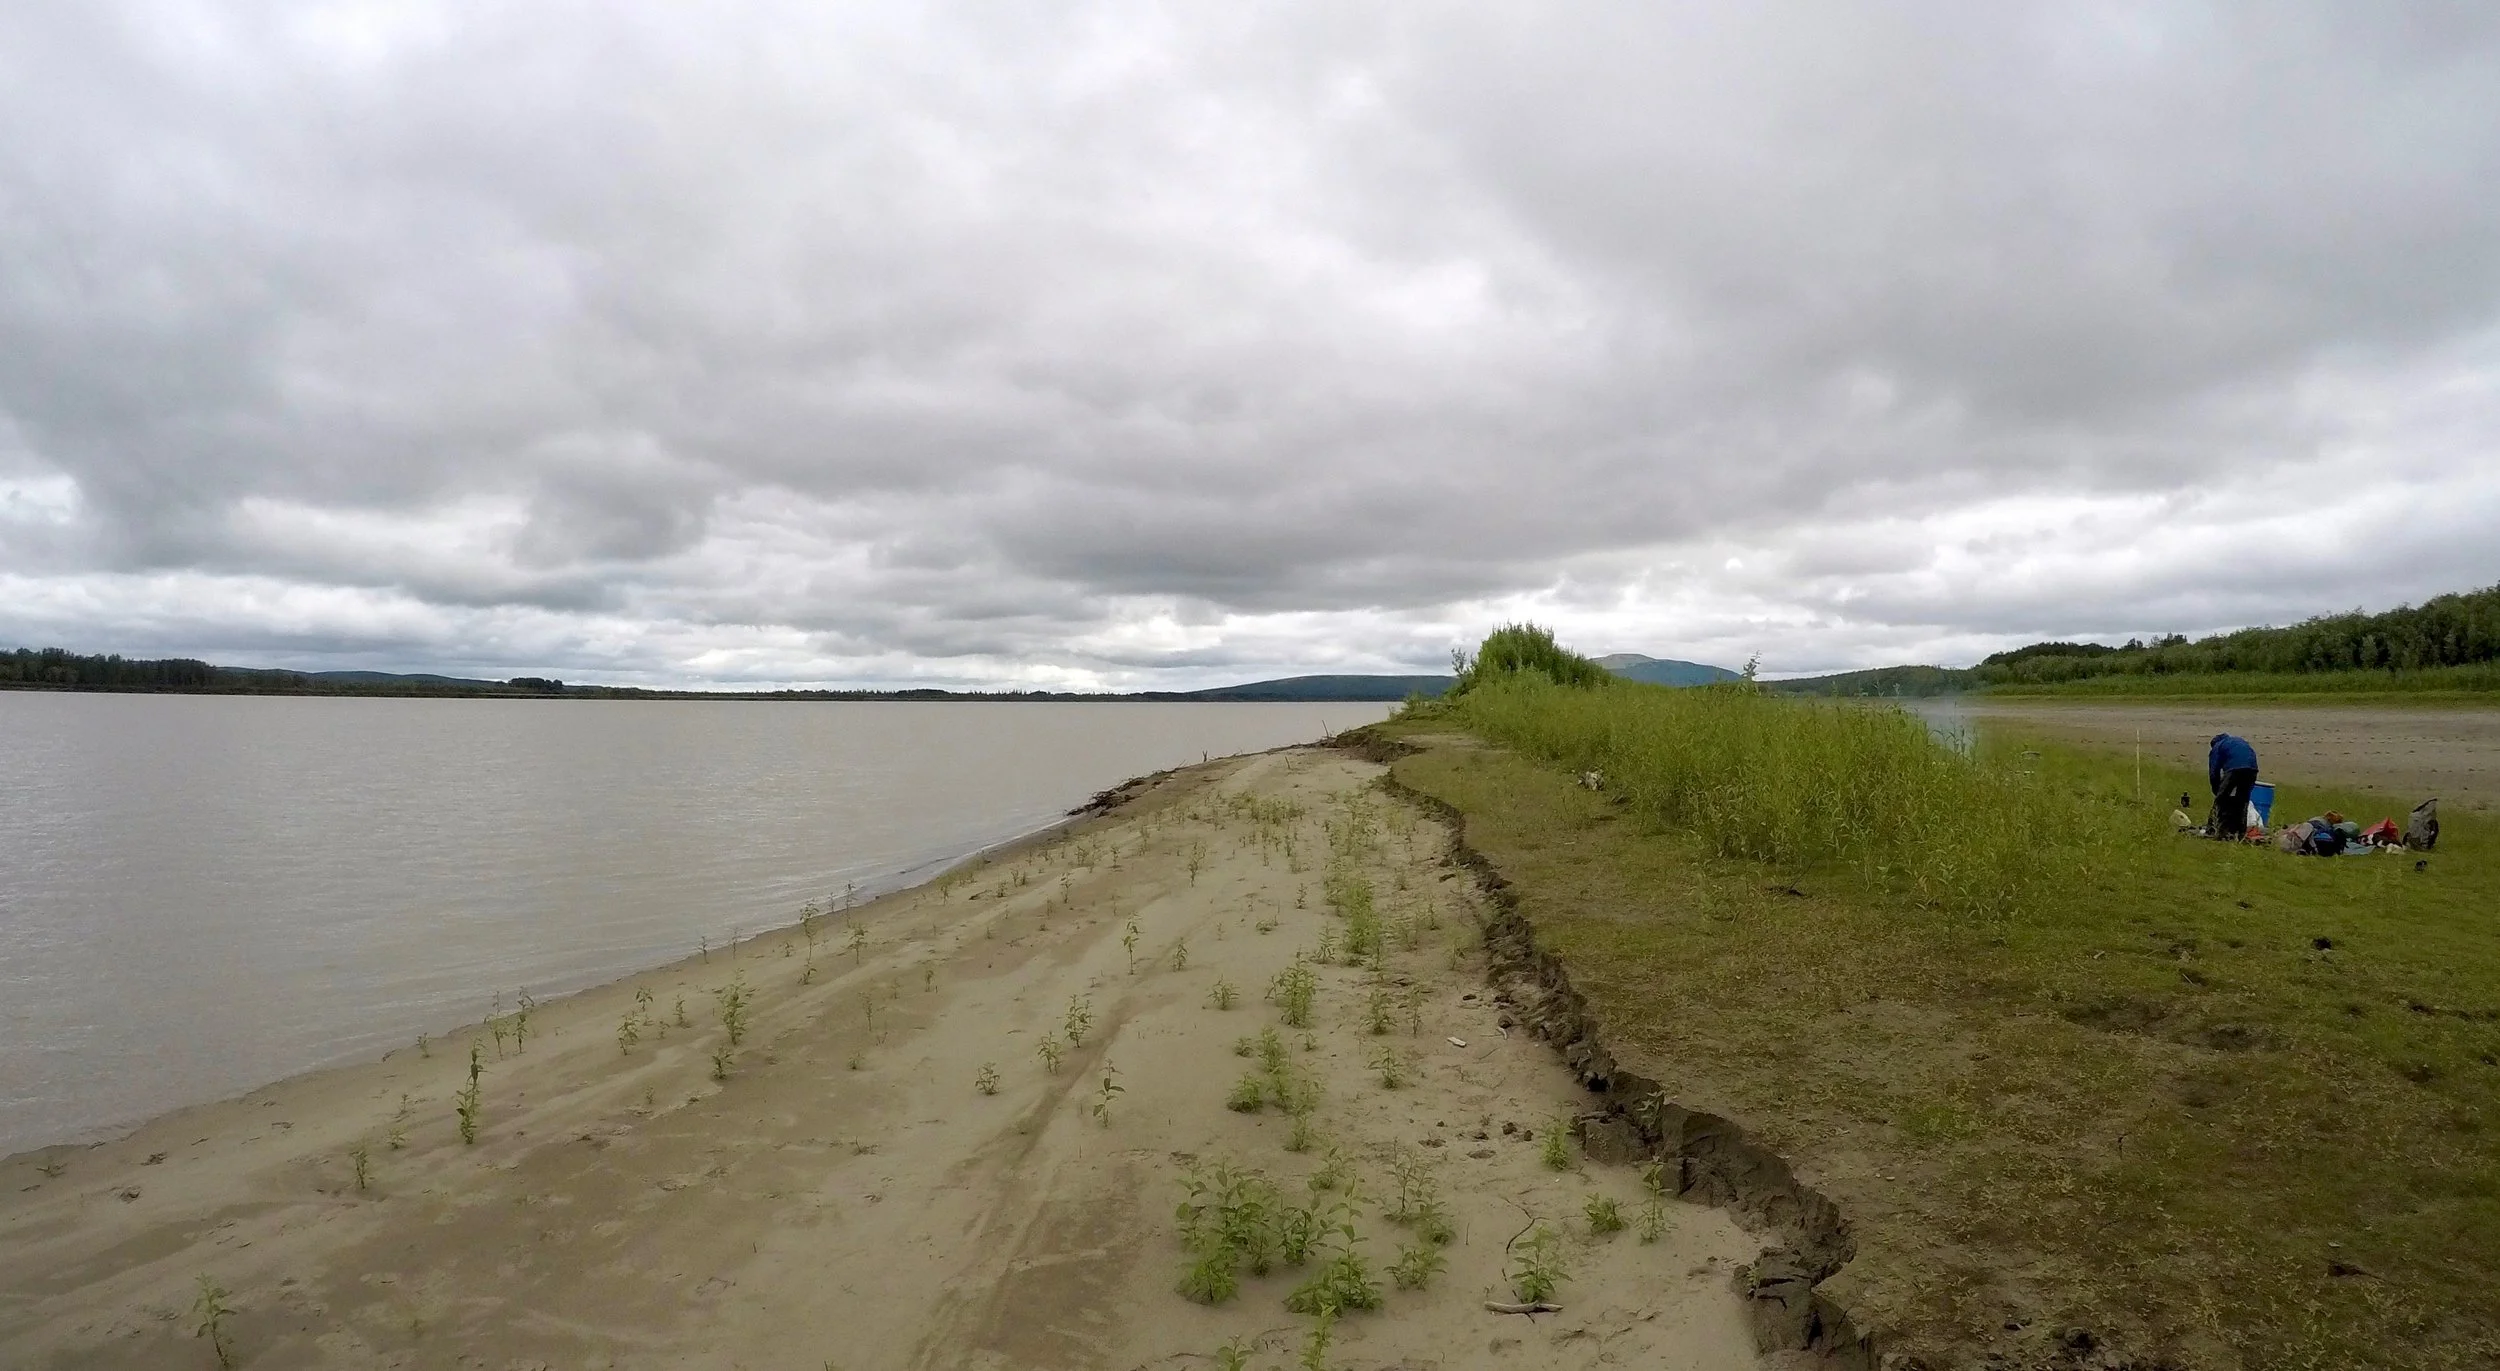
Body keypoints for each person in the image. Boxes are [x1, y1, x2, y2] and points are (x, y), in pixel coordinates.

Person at [2207, 733, 2259, 841]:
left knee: (2221, 800)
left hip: (2234, 769)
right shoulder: (2238, 741)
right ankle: (2240, 833)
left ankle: (2216, 830)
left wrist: (2217, 790)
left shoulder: (2217, 747)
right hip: (2252, 769)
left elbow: (2214, 771)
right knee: (2242, 801)